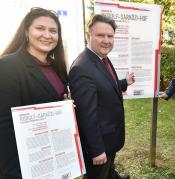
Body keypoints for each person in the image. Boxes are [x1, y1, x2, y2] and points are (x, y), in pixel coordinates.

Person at [0, 7, 68, 179]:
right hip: (25, 164)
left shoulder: (56, 66)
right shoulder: (8, 66)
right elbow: (4, 125)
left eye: (53, 31)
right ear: (26, 32)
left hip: (55, 156)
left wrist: (65, 104)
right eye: (40, 28)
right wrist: (11, 173)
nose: (47, 35)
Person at [69, 14, 134, 179]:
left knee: (107, 171)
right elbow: (86, 115)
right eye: (100, 35)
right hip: (100, 146)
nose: (106, 40)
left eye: (110, 36)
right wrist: (97, 150)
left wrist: (124, 83)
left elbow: (105, 86)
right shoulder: (82, 68)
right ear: (88, 35)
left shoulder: (101, 58)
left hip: (109, 140)